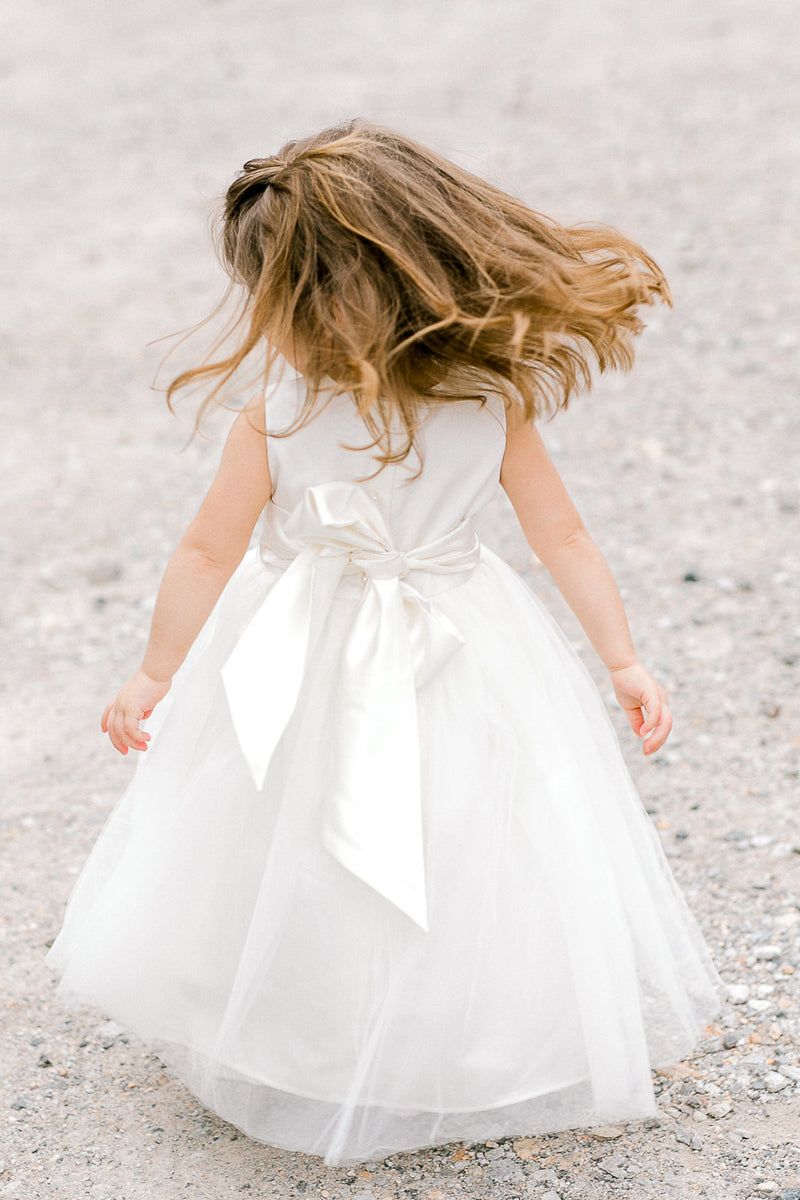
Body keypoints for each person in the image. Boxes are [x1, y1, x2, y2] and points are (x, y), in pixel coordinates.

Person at [46, 120, 725, 1167]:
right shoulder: (484, 395)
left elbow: (204, 551)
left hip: (303, 645)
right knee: (466, 830)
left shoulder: (276, 409)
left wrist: (156, 671)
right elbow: (563, 537)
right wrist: (619, 658)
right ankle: (450, 1029)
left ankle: (303, 1031)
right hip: (463, 639)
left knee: (294, 825)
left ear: (306, 298)